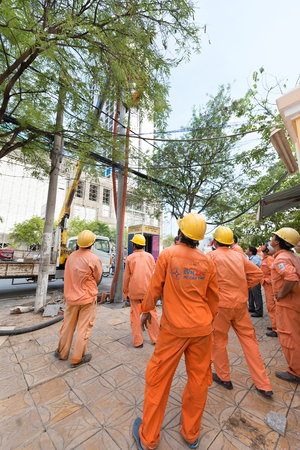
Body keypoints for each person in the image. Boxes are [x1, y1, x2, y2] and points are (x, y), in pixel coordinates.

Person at [132, 213, 219, 450]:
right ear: (198, 239)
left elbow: (154, 288)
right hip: (202, 329)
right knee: (198, 381)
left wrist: (146, 310)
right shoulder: (207, 261)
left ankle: (149, 438)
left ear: (180, 233)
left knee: (158, 379)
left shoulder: (168, 255)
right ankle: (191, 434)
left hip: (173, 331)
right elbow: (213, 298)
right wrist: (206, 322)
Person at [207, 226, 273, 396]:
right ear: (231, 242)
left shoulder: (211, 257)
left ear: (214, 242)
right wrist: (244, 288)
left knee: (219, 342)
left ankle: (224, 377)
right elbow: (257, 275)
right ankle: (263, 384)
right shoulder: (239, 256)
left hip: (221, 307)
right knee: (250, 342)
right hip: (240, 306)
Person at [55, 230, 102, 367]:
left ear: (78, 243)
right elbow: (98, 278)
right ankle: (77, 358)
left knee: (67, 327)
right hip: (87, 299)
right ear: (92, 243)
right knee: (84, 328)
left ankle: (62, 353)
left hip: (71, 299)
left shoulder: (71, 257)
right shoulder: (94, 259)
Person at [269, 227, 300, 384]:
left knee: (290, 338)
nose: (271, 238)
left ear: (278, 241)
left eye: (274, 236)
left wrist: (282, 294)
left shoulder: (281, 259)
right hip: (295, 303)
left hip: (288, 305)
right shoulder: (293, 256)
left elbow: (291, 278)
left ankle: (295, 372)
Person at [123, 234, 159, 348]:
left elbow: (126, 277)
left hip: (134, 292)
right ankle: (155, 339)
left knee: (135, 315)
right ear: (143, 245)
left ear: (134, 245)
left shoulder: (130, 258)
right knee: (152, 314)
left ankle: (138, 342)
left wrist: (125, 291)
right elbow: (154, 273)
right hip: (148, 291)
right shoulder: (150, 257)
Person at [260, 243, 277, 337]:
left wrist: (267, 280)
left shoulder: (270, 259)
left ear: (267, 250)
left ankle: (276, 329)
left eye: (265, 246)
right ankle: (275, 325)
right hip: (267, 286)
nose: (263, 245)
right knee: (270, 306)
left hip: (270, 286)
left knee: (272, 307)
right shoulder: (266, 259)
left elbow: (275, 273)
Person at [246, 245, 263, 317]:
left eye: (247, 249)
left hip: (255, 279)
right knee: (250, 294)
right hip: (249, 279)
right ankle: (251, 307)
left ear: (251, 252)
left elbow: (261, 268)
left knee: (256, 295)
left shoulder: (256, 259)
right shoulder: (248, 258)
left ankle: (259, 311)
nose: (246, 250)